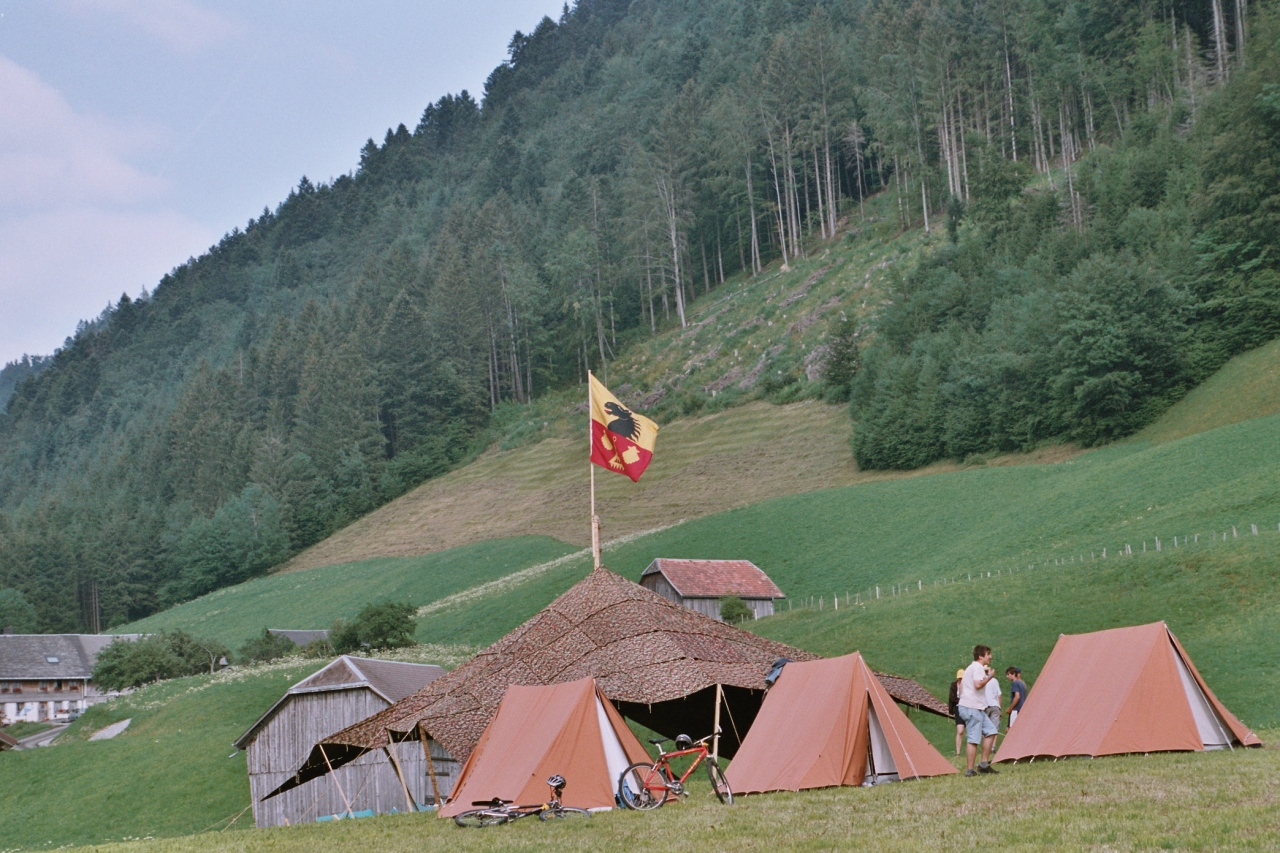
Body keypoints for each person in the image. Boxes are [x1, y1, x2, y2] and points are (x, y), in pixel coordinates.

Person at [957, 645, 999, 777]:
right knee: (973, 739)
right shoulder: (977, 667)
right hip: (971, 707)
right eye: (988, 654)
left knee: (991, 731)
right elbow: (978, 684)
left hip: (975, 707)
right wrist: (990, 676)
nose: (990, 656)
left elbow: (964, 687)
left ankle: (984, 764)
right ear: (981, 656)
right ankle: (969, 771)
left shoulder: (972, 668)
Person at [984, 665, 1003, 752]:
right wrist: (1000, 708)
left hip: (985, 706)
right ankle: (993, 747)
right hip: (995, 705)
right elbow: (999, 695)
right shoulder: (994, 681)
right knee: (995, 728)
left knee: (985, 727)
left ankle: (986, 747)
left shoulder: (982, 681)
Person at [948, 669, 965, 756]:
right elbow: (952, 698)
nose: (960, 680)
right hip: (958, 708)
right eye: (959, 678)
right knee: (960, 731)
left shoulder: (968, 686)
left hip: (968, 708)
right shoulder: (953, 685)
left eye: (962, 678)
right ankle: (958, 753)